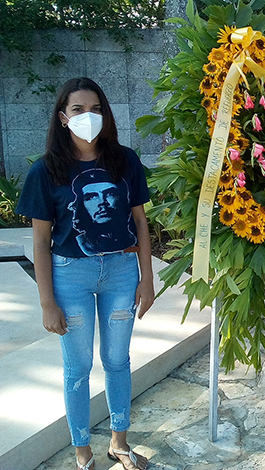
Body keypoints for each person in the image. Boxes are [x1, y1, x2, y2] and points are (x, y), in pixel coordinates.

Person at [16, 77, 153, 470]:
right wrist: (47, 303)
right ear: (63, 117)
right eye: (78, 109)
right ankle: (81, 451)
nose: (87, 116)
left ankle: (119, 443)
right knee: (77, 367)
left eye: (95, 109)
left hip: (121, 272)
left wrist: (147, 278)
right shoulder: (45, 172)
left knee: (117, 360)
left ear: (105, 114)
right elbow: (40, 242)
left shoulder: (125, 161)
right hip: (69, 277)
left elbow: (140, 222)